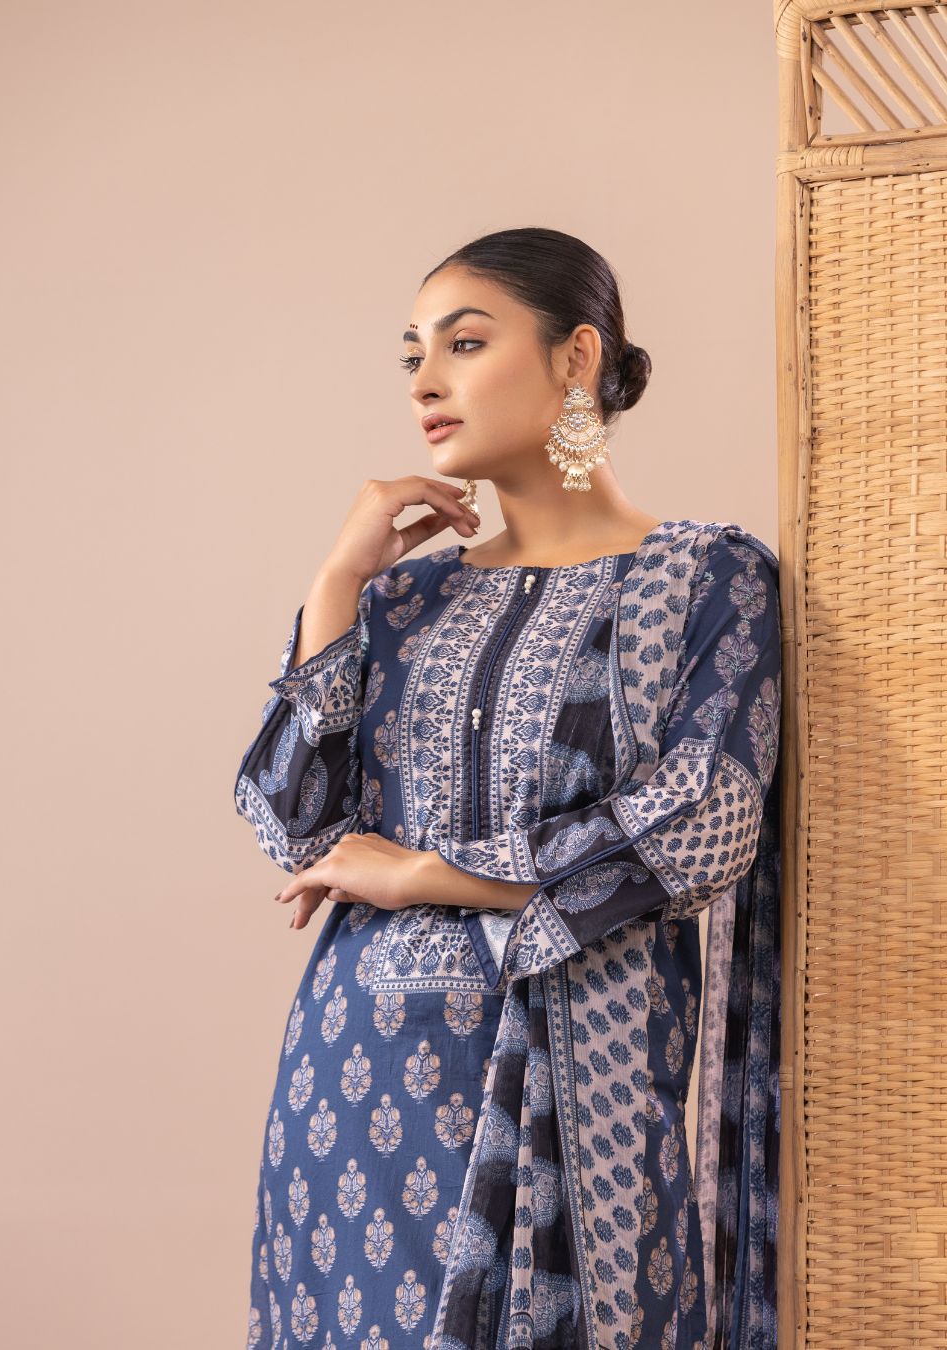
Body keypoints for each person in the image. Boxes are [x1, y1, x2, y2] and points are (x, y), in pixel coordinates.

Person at [236, 227, 782, 1349]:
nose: (425, 382)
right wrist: (337, 582)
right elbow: (296, 824)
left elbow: (706, 818)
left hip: (581, 1090)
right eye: (413, 355)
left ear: (577, 356)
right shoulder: (399, 601)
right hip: (352, 1087)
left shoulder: (703, 576)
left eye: (466, 342)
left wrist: (428, 875)